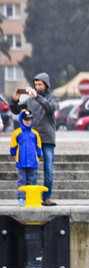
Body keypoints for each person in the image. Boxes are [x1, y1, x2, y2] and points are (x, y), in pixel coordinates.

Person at [10, 73, 59, 206]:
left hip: (47, 138)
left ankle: (46, 197)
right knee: (33, 169)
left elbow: (50, 109)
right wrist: (15, 100)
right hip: (32, 140)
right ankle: (33, 196)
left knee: (48, 169)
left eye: (40, 84)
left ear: (46, 84)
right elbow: (17, 111)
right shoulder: (30, 100)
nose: (37, 87)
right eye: (35, 84)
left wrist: (37, 97)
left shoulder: (53, 97)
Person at [10, 110, 43, 206]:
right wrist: (13, 154)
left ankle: (29, 197)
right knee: (21, 180)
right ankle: (21, 198)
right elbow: (13, 145)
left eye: (29, 119)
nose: (28, 121)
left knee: (30, 180)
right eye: (25, 119)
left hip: (32, 161)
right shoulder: (17, 133)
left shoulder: (35, 133)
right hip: (21, 160)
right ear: (21, 120)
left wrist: (39, 154)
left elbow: (38, 145)